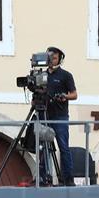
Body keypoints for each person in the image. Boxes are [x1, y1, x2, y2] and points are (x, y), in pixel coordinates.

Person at [43, 45, 77, 186]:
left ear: (59, 59)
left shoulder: (66, 75)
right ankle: (44, 176)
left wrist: (64, 96)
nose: (52, 60)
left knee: (63, 147)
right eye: (49, 58)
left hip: (60, 116)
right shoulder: (42, 75)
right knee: (43, 148)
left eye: (54, 58)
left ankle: (68, 178)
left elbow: (74, 94)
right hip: (44, 115)